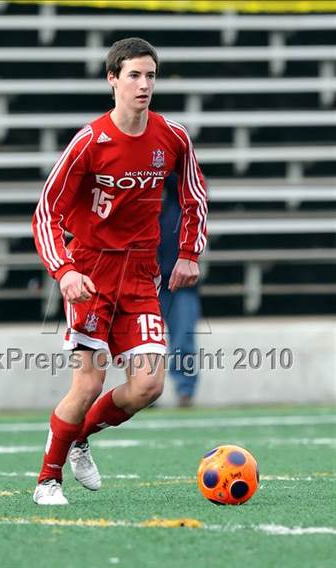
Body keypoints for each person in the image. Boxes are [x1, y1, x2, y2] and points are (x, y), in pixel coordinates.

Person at [32, 37, 207, 505]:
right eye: (134, 75)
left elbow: (194, 196)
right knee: (88, 383)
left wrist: (189, 252)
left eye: (150, 75)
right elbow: (45, 212)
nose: (144, 84)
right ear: (113, 80)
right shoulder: (90, 141)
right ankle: (47, 481)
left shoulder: (172, 137)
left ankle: (79, 439)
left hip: (141, 274)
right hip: (90, 272)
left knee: (149, 384)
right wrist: (64, 270)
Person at [158, 173, 202, 407]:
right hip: (144, 280)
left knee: (183, 338)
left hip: (180, 281)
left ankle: (186, 392)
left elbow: (192, 187)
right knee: (139, 343)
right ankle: (142, 393)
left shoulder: (180, 194)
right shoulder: (136, 193)